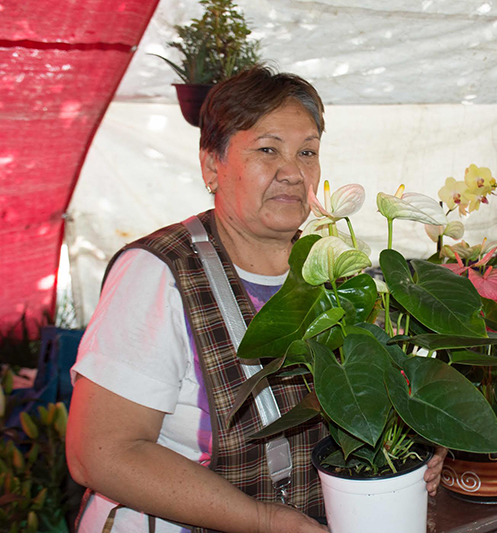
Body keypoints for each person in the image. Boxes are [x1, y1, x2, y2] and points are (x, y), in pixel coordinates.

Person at [66, 66, 446, 532]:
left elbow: (376, 401)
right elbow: (100, 453)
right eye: (268, 149)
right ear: (212, 164)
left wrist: (420, 452)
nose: (293, 172)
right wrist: (262, 520)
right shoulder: (161, 273)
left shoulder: (337, 269)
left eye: (307, 151)